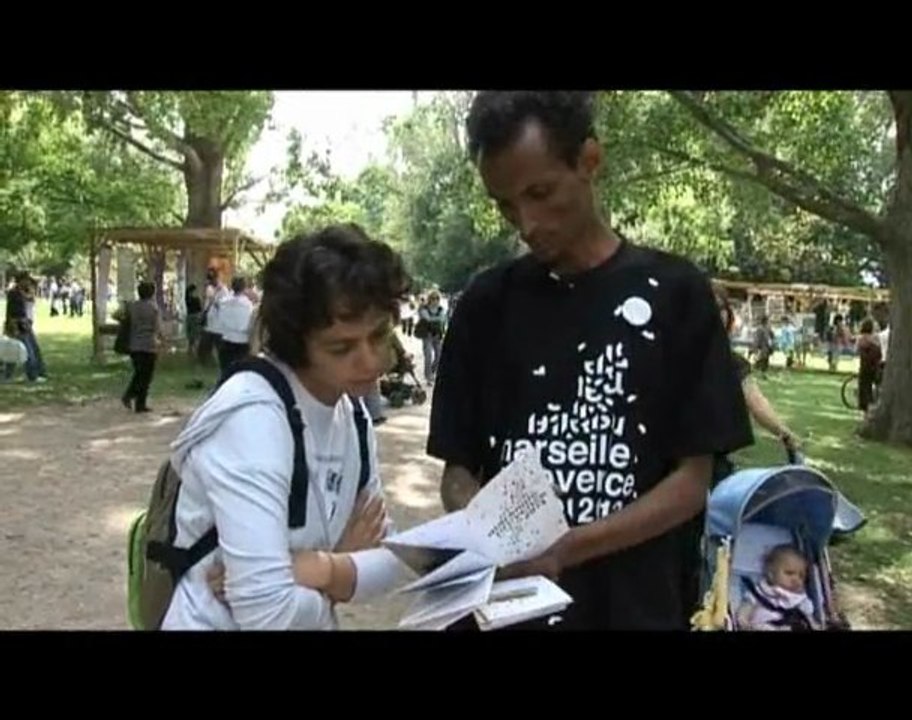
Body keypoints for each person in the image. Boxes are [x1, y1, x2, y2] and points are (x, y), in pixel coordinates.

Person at [426, 91, 753, 630]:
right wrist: (492, 530)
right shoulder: (485, 304)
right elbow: (457, 471)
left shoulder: (677, 294)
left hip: (633, 609)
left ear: (589, 161)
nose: (525, 223)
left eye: (540, 193)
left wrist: (564, 549)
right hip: (504, 613)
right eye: (505, 204)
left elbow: (692, 482)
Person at [160, 224, 412, 630]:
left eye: (379, 334)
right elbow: (268, 614)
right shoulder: (253, 418)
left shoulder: (354, 416)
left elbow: (390, 560)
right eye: (341, 347)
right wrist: (342, 569)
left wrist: (320, 569)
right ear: (298, 343)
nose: (371, 361)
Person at [736, 544, 817, 631]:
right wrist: (743, 618)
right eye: (789, 573)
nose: (796, 579)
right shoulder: (762, 591)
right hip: (762, 625)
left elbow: (808, 616)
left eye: (801, 576)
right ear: (771, 574)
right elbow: (748, 605)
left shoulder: (799, 598)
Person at [120, 280, 162, 413]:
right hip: (149, 345)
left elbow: (120, 317)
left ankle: (136, 400)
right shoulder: (153, 308)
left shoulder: (132, 307)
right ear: (152, 293)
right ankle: (135, 399)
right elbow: (157, 327)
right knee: (146, 376)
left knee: (139, 373)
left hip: (134, 345)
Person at [215, 276, 255, 381]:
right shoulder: (248, 305)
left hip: (226, 339)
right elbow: (249, 325)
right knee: (240, 376)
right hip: (242, 342)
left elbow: (219, 316)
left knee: (226, 374)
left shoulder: (224, 302)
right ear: (244, 287)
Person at [855, 318, 882, 416]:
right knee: (873, 386)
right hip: (874, 365)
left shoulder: (861, 339)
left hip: (864, 366)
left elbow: (858, 351)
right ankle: (873, 405)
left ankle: (865, 409)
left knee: (864, 387)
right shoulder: (875, 338)